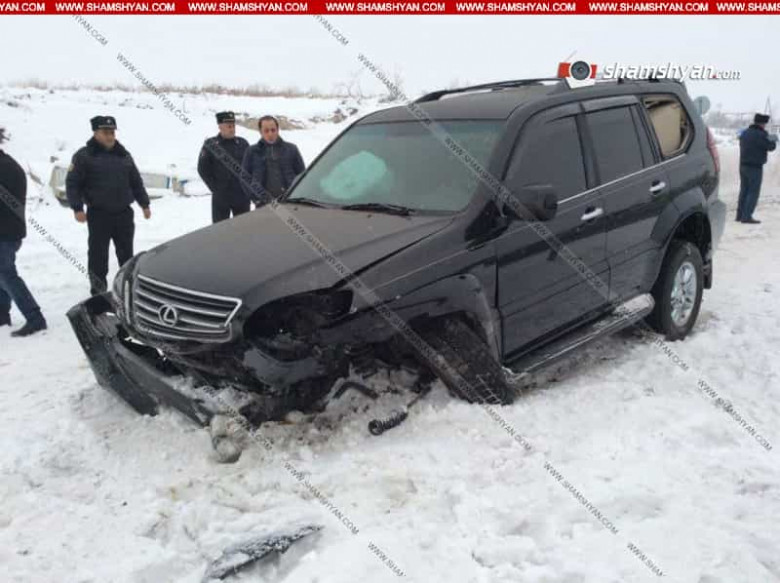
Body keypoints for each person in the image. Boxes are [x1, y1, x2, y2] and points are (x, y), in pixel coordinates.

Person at [66, 116, 151, 295]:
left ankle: (127, 290)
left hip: (123, 214)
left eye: (112, 132)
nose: (110, 136)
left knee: (127, 256)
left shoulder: (123, 155)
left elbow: (135, 181)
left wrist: (144, 203)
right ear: (95, 133)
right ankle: (98, 293)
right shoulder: (84, 156)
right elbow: (73, 184)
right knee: (98, 256)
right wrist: (77, 208)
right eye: (106, 132)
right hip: (99, 214)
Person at [0, 129, 47, 337]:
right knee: (3, 274)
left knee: (7, 274)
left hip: (5, 232)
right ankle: (2, 316)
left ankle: (35, 318)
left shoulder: (5, 167)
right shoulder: (9, 163)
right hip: (11, 230)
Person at [197, 111, 250, 223]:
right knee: (220, 229)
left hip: (241, 196)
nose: (232, 129)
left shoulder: (243, 143)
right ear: (220, 127)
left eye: (233, 126)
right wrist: (216, 188)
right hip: (221, 197)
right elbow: (203, 169)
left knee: (243, 228)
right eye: (229, 126)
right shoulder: (211, 144)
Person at [241, 115, 305, 206]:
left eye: (273, 130)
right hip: (263, 204)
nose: (270, 134)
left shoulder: (291, 149)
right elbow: (244, 178)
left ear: (278, 130)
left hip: (289, 202)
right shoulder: (252, 151)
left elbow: (302, 175)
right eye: (266, 131)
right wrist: (255, 198)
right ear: (260, 132)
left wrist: (296, 195)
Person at [737, 113, 777, 224]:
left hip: (743, 165)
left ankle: (739, 215)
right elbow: (770, 147)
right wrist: (773, 139)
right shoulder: (762, 134)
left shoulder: (745, 133)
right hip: (755, 167)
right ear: (762, 124)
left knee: (744, 191)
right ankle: (746, 216)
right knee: (753, 192)